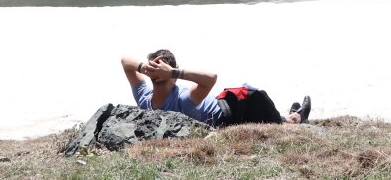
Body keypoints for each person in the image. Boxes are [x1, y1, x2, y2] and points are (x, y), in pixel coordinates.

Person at [120, 49, 310, 127]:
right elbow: (125, 61)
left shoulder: (174, 99)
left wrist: (170, 72)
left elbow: (211, 78)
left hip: (230, 106)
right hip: (229, 109)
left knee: (261, 102)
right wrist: (145, 68)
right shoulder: (153, 99)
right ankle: (293, 117)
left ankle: (293, 117)